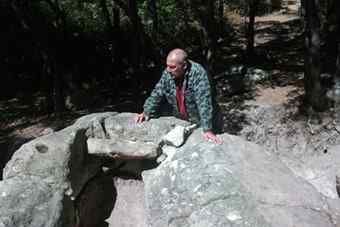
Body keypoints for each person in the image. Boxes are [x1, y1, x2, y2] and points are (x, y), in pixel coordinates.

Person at [135, 48, 222, 144]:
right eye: (167, 66)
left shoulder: (198, 74)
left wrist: (207, 129)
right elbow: (158, 92)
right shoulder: (168, 72)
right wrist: (146, 111)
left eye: (172, 67)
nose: (168, 70)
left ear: (184, 66)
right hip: (185, 119)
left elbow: (204, 102)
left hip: (207, 121)